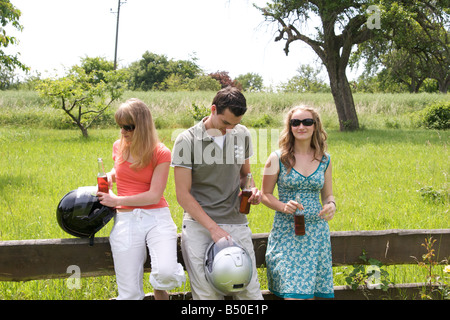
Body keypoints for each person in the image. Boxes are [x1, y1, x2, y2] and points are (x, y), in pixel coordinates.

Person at [171, 86, 263, 300]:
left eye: (235, 124)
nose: (229, 129)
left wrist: (253, 190)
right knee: (207, 296)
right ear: (213, 110)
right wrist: (212, 228)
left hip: (236, 224)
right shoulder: (186, 140)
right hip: (199, 227)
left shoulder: (242, 134)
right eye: (225, 123)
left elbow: (245, 176)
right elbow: (182, 195)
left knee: (250, 293)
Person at [97, 98, 185, 300]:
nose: (123, 132)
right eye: (120, 126)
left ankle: (159, 288)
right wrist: (109, 178)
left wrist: (116, 200)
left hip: (156, 216)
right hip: (126, 219)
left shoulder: (161, 152)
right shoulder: (119, 146)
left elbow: (154, 195)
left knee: (166, 273)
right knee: (129, 293)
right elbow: (120, 171)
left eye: (128, 127)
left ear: (143, 126)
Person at [261, 105, 336, 300]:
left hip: (316, 234)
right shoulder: (276, 158)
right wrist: (283, 207)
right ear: (290, 127)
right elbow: (265, 194)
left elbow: (328, 195)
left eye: (307, 122)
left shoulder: (325, 160)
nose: (301, 126)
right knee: (295, 296)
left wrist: (331, 205)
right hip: (287, 233)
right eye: (295, 122)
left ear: (315, 126)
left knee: (310, 295)